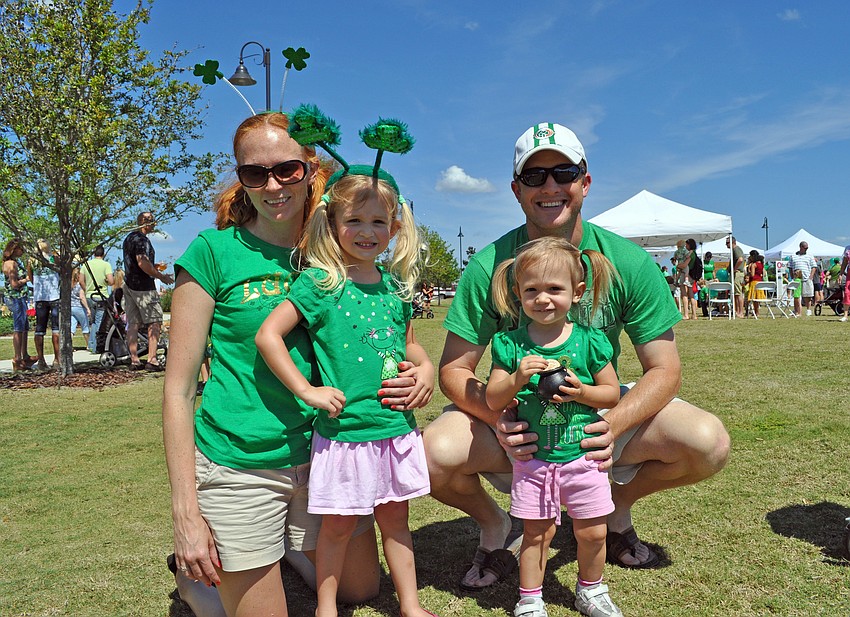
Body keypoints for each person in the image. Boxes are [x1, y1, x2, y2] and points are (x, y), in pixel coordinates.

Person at [424, 122, 730, 592]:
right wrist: (496, 417)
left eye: (563, 173)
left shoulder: (627, 261)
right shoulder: (489, 265)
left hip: (594, 412)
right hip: (520, 421)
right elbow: (453, 370)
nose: (550, 186)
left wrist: (613, 425)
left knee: (708, 443)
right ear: (516, 190)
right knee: (430, 456)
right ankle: (496, 526)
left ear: (585, 182)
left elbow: (665, 370)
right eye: (534, 176)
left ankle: (615, 508)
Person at [163, 112, 419, 617]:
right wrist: (185, 514)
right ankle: (195, 579)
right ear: (241, 178)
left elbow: (395, 335)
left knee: (360, 590)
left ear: (310, 170)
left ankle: (279, 551)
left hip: (328, 452)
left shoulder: (335, 245)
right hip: (243, 464)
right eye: (254, 173)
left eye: (287, 169)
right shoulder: (213, 252)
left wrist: (419, 373)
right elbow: (179, 390)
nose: (273, 185)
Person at [256, 167, 436, 617]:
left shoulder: (396, 288)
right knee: (336, 529)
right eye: (354, 220)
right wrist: (307, 390)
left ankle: (411, 607)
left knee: (396, 524)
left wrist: (427, 369)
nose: (366, 231)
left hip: (395, 429)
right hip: (345, 435)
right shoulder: (320, 284)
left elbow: (409, 344)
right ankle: (326, 608)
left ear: (395, 227)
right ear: (332, 223)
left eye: (378, 221)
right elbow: (268, 336)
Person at [484, 237, 623, 617]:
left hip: (584, 459)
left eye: (554, 289)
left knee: (593, 531)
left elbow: (611, 394)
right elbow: (493, 399)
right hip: (534, 462)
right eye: (531, 290)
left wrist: (583, 392)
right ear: (518, 293)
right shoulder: (510, 345)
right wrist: (517, 378)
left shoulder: (589, 342)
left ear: (577, 292)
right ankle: (530, 599)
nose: (542, 299)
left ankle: (591, 590)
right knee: (536, 534)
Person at [122, 212, 173, 369]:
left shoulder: (129, 238)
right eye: (152, 221)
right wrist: (161, 276)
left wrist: (154, 266)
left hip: (129, 285)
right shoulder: (141, 240)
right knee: (155, 321)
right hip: (143, 287)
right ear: (145, 222)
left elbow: (136, 262)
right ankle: (152, 359)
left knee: (133, 323)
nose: (154, 224)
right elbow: (142, 263)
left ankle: (134, 359)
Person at [28, 238, 60, 371]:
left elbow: (30, 277)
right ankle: (57, 359)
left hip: (40, 297)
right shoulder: (54, 258)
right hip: (54, 296)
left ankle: (41, 359)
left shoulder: (32, 260)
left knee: (40, 329)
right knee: (56, 329)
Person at [2, 238, 33, 371]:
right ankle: (17, 358)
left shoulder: (16, 262)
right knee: (19, 327)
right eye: (21, 248)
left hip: (21, 297)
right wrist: (26, 280)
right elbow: (14, 284)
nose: (23, 251)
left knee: (24, 327)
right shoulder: (11, 264)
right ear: (14, 249)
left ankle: (24, 355)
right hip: (15, 298)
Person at [80, 244, 114, 354]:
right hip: (101, 296)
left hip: (90, 296)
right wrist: (105, 281)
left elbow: (81, 281)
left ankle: (91, 344)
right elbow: (111, 281)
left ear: (94, 253)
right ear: (103, 254)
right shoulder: (106, 265)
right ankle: (97, 346)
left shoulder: (86, 265)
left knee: (93, 322)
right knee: (100, 322)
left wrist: (86, 290)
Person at [788, 241, 817, 317]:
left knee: (807, 295)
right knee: (796, 296)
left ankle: (808, 309)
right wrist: (792, 277)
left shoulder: (810, 256)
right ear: (801, 247)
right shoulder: (793, 256)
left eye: (807, 248)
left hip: (806, 278)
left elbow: (814, 266)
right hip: (797, 279)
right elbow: (790, 267)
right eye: (805, 247)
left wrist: (811, 276)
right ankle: (796, 310)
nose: (806, 249)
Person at [69, 267, 91, 349]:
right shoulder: (79, 285)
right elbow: (82, 297)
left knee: (72, 328)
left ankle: (69, 345)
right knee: (85, 326)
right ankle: (89, 345)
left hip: (71, 307)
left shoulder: (70, 285)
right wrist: (87, 308)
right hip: (79, 307)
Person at [725, 236, 745, 318]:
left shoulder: (736, 249)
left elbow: (740, 259)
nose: (726, 245)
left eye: (727, 243)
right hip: (735, 274)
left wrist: (734, 269)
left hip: (737, 274)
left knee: (738, 293)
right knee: (735, 293)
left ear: (733, 242)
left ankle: (741, 312)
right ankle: (737, 311)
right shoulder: (733, 250)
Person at [746, 251, 765, 319]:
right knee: (758, 297)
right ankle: (757, 312)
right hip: (760, 281)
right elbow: (763, 273)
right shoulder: (761, 264)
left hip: (754, 282)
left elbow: (752, 274)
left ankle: (756, 312)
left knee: (754, 298)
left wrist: (749, 271)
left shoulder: (754, 265)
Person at [840, 244, 850, 322]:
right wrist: (841, 274)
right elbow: (845, 261)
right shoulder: (847, 248)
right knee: (847, 293)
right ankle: (845, 315)